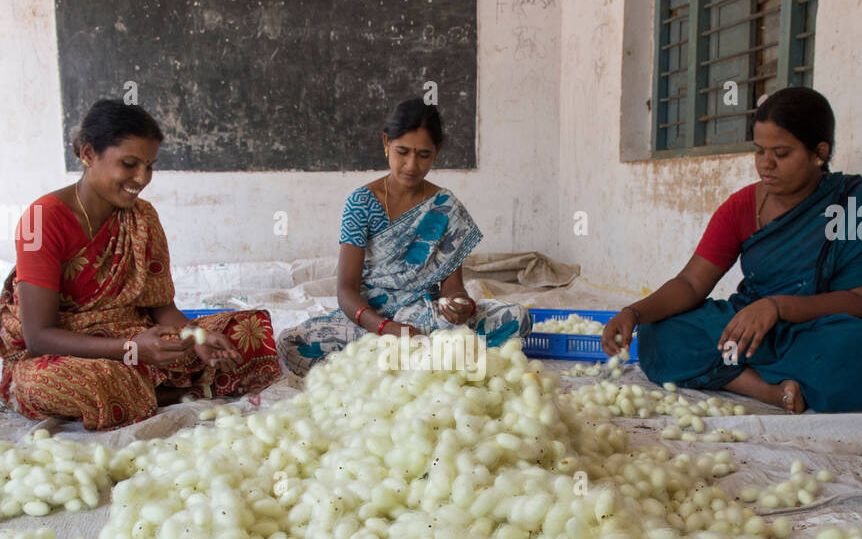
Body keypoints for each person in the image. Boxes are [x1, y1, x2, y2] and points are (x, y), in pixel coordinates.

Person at [0, 99, 281, 430]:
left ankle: (150, 387)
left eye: (149, 165)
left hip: (132, 332)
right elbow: (39, 338)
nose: (142, 177)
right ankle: (168, 389)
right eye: (129, 164)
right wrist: (131, 349)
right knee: (89, 382)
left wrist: (197, 335)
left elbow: (162, 308)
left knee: (248, 332)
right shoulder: (41, 220)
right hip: (64, 350)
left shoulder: (142, 217)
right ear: (88, 154)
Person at [601, 87, 862, 413]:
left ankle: (754, 372)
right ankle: (768, 390)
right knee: (662, 333)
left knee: (856, 349)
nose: (765, 164)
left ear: (819, 153)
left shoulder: (851, 205)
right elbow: (691, 284)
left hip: (820, 331)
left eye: (781, 154)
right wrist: (634, 312)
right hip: (751, 333)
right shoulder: (741, 207)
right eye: (759, 151)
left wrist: (778, 306)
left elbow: (858, 300)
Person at [277, 97, 531, 375]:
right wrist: (387, 328)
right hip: (373, 320)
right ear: (386, 143)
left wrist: (460, 306)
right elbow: (346, 291)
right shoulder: (362, 202)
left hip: (427, 317)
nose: (412, 165)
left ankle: (400, 361)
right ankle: (433, 359)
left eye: (423, 155)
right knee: (293, 343)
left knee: (517, 318)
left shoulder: (445, 206)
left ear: (437, 152)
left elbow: (452, 288)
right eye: (403, 151)